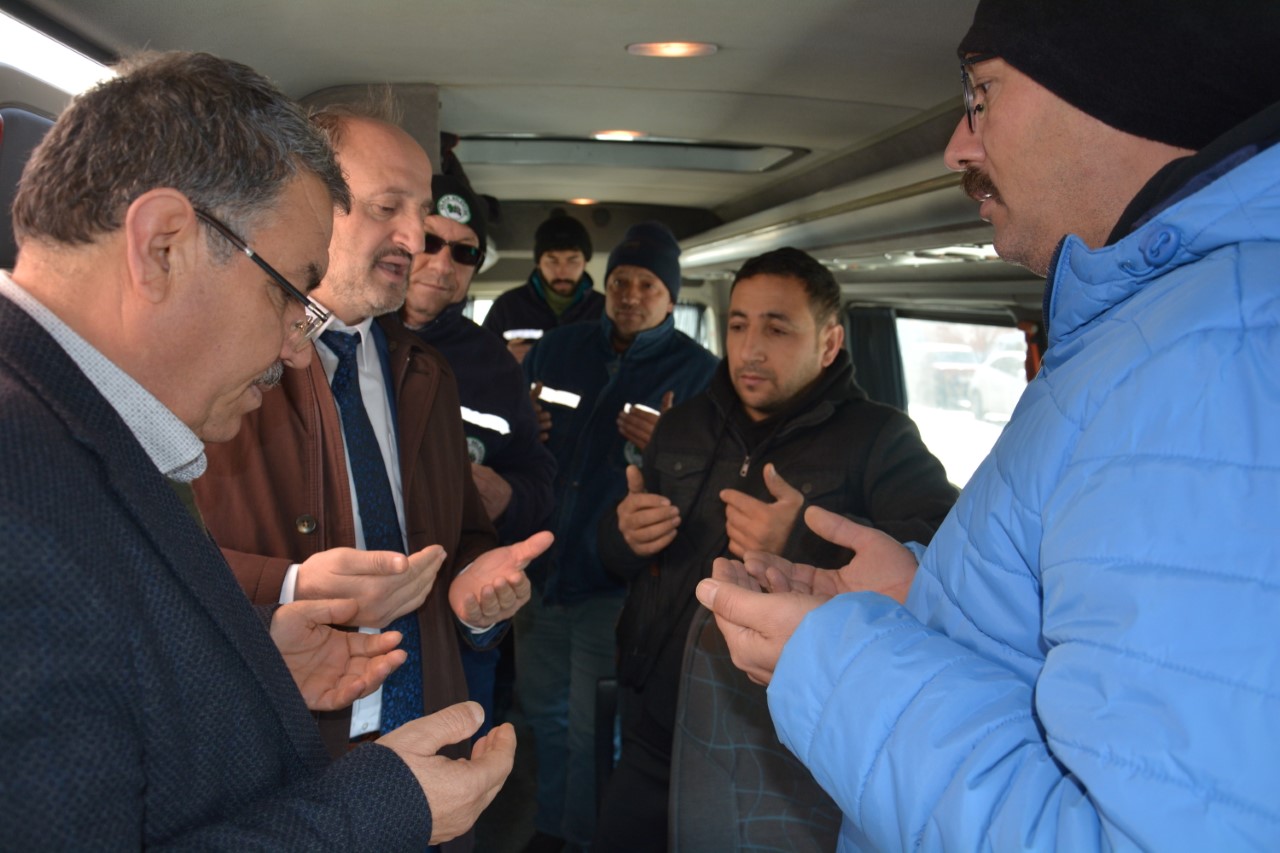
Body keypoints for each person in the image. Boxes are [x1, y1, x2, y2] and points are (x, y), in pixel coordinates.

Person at [697, 2, 1280, 849]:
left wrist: (831, 661)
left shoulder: (1207, 359)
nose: (958, 146)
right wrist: (918, 604)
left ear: (1112, 91)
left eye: (982, 93)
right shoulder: (1153, 335)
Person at [0, 50, 514, 849]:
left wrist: (251, 671)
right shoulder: (20, 480)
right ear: (163, 245)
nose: (300, 347)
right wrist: (378, 809)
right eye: (288, 289)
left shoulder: (69, 431)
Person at [192, 99, 550, 814]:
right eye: (389, 206)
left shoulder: (426, 371)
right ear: (307, 204)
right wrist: (294, 587)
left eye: (420, 213)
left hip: (428, 739)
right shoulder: (217, 366)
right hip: (280, 753)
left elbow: (461, 540)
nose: (414, 238)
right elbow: (157, 563)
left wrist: (477, 597)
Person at [594, 247, 957, 851]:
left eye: (777, 327)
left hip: (777, 742)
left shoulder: (881, 439)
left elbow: (939, 564)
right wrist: (622, 536)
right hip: (654, 718)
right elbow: (619, 558)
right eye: (738, 325)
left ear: (830, 342)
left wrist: (799, 542)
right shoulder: (683, 427)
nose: (751, 348)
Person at [518, 221, 719, 851]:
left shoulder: (699, 376)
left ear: (671, 295)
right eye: (620, 282)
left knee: (590, 729)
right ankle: (550, 827)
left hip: (613, 585)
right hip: (541, 572)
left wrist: (669, 447)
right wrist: (525, 425)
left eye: (648, 284)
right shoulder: (560, 349)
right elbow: (523, 440)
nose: (630, 295)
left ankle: (582, 839)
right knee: (540, 720)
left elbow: (712, 488)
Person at [400, 172, 557, 731]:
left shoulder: (492, 362)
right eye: (429, 242)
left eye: (465, 253)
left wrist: (509, 493)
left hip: (457, 621)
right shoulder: (339, 337)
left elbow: (538, 476)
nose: (443, 265)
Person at [481, 213, 603, 363]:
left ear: (585, 262)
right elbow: (480, 365)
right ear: (538, 262)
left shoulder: (605, 309)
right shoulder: (507, 306)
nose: (562, 271)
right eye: (552, 261)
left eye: (572, 261)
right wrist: (504, 359)